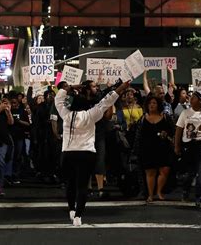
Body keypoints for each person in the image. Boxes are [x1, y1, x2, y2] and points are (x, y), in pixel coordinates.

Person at [54, 80, 130, 226]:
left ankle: (71, 208)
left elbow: (59, 98)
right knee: (82, 185)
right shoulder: (91, 114)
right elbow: (107, 101)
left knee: (70, 184)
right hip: (86, 153)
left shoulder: (66, 114)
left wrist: (70, 87)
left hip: (68, 153)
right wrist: (121, 87)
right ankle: (78, 216)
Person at [175, 91, 201, 208]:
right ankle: (185, 190)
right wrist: (177, 146)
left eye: (193, 98)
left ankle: (199, 198)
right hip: (188, 145)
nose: (190, 99)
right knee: (190, 173)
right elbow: (179, 130)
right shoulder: (185, 113)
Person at [136, 96, 174, 202]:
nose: (152, 105)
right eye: (150, 103)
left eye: (154, 103)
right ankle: (150, 195)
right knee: (150, 173)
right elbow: (138, 136)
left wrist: (166, 134)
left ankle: (159, 191)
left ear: (158, 105)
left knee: (164, 171)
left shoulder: (165, 117)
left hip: (164, 148)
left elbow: (173, 130)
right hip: (148, 149)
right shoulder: (143, 118)